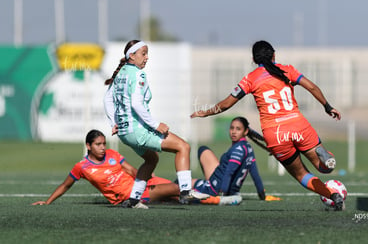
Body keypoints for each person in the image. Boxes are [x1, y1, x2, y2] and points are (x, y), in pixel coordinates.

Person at [191, 40, 344, 210]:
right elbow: (313, 87)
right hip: (298, 124)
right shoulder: (287, 70)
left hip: (275, 134)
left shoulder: (250, 79)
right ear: (274, 55)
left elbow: (226, 104)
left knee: (302, 174)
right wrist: (327, 107)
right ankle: (325, 157)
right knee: (324, 169)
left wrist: (206, 112)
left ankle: (333, 196)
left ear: (254, 59)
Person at [103, 40, 208, 207]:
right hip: (138, 131)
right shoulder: (138, 74)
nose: (147, 57)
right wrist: (155, 124)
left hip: (124, 133)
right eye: (143, 53)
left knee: (151, 160)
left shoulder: (121, 73)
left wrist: (113, 122)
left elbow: (107, 99)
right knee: (183, 147)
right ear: (132, 55)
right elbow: (136, 104)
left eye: (147, 53)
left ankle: (134, 199)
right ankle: (186, 192)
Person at [32, 130, 238, 207]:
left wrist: (151, 177)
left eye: (104, 143)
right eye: (98, 144)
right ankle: (222, 200)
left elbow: (131, 170)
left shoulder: (112, 155)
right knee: (177, 189)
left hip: (142, 184)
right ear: (88, 146)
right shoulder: (82, 167)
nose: (103, 148)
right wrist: (48, 202)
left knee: (173, 191)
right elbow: (65, 185)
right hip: (131, 195)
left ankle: (209, 199)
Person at [192, 116, 281, 202]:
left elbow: (229, 173)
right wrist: (262, 195)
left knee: (181, 185)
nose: (234, 132)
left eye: (238, 129)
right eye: (232, 128)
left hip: (215, 189)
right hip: (226, 188)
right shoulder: (248, 148)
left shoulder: (238, 150)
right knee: (203, 150)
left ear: (245, 131)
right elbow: (255, 175)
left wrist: (222, 194)